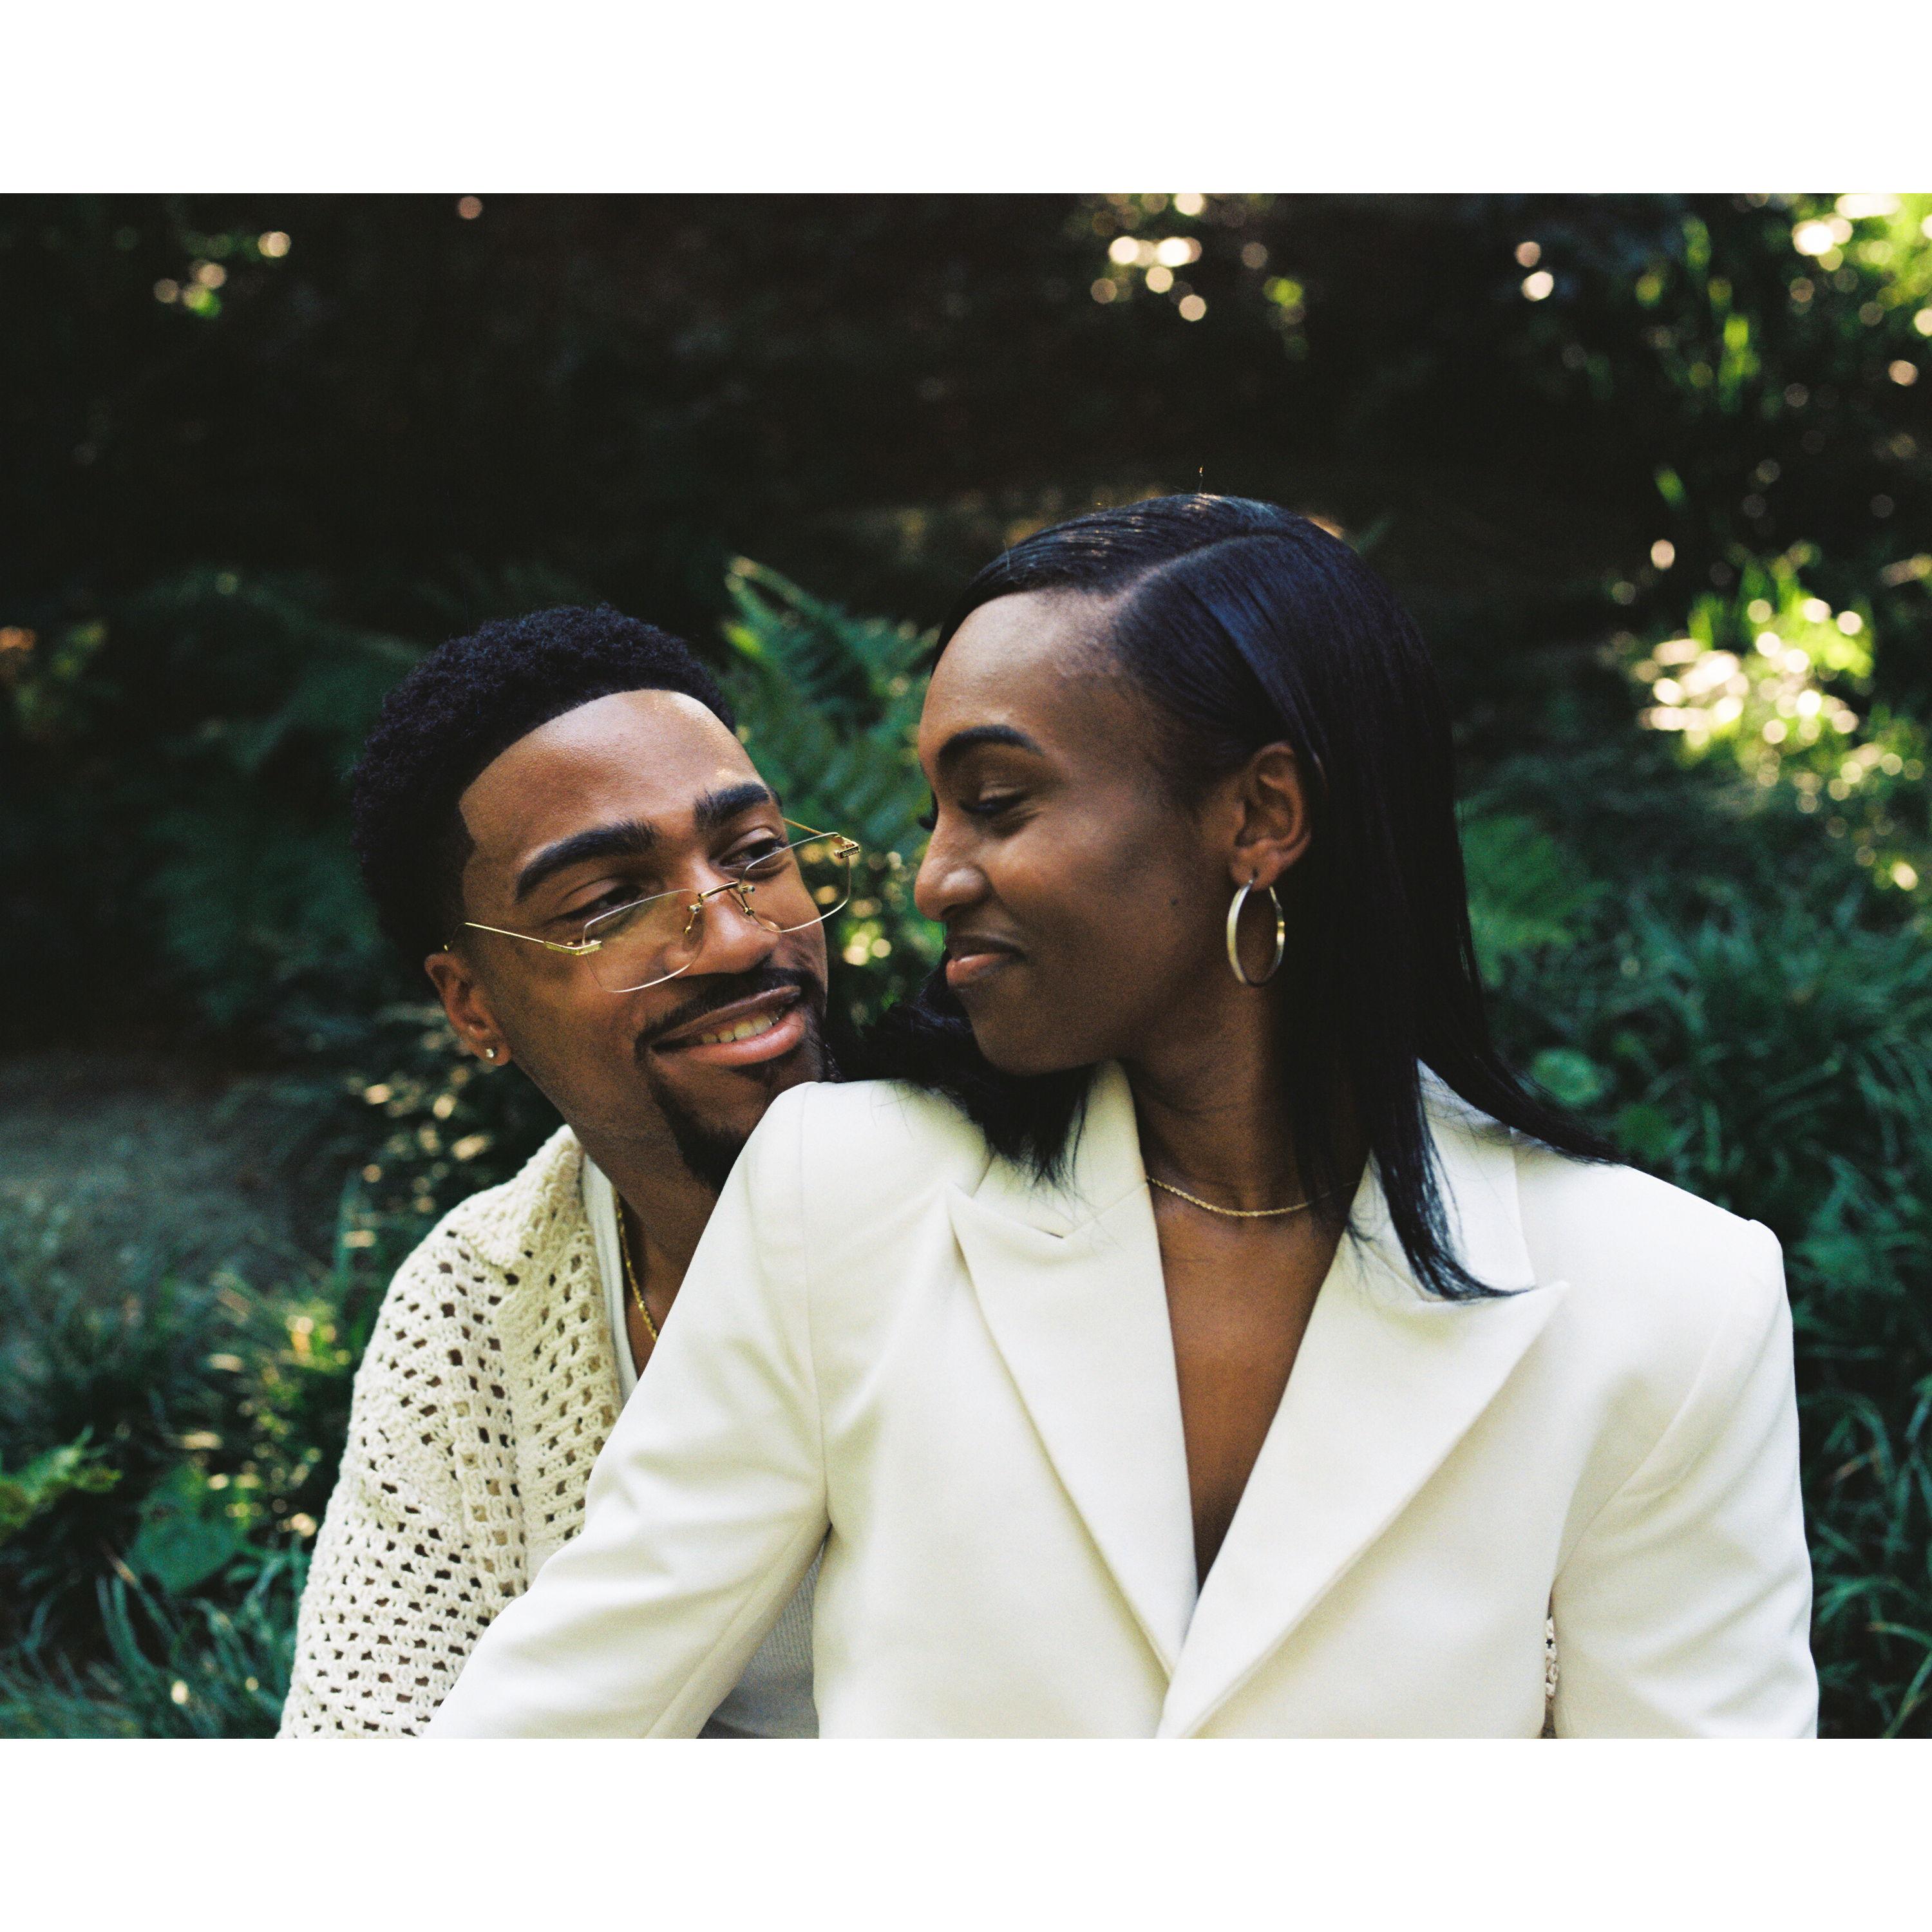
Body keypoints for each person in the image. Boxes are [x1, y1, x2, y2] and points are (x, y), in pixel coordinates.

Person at [426, 498, 1817, 1738]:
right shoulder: (839, 1193)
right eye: (935, 810)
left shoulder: (1674, 1302)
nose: (933, 876)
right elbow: (557, 1726)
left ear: (1261, 815)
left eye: (997, 802)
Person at [279, 603, 856, 1736]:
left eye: (754, 855)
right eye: (608, 906)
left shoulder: (1013, 1190)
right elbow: (362, 1728)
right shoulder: (477, 1300)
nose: (739, 935)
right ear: (472, 1005)